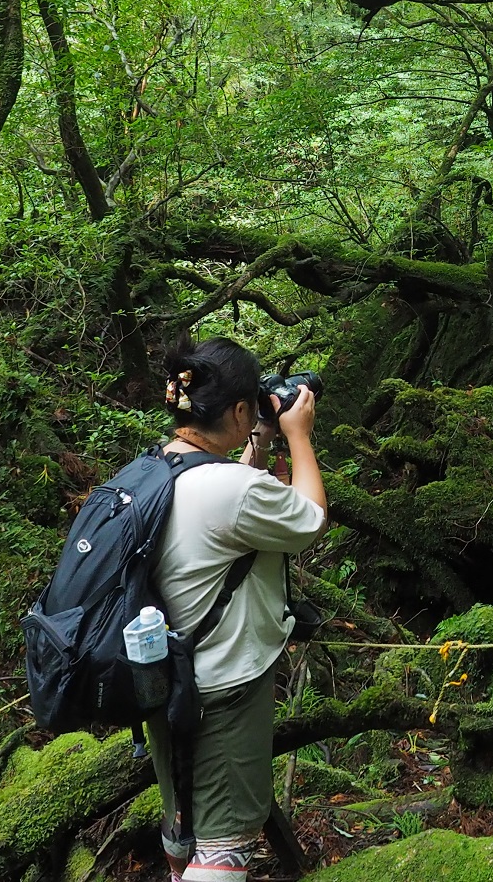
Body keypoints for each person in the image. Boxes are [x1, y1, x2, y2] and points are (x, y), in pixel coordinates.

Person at [153, 337, 326, 881]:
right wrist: (298, 436)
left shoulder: (157, 469)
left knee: (184, 819)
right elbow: (310, 519)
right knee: (227, 839)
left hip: (164, 680)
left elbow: (229, 494)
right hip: (226, 686)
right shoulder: (233, 491)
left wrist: (263, 435)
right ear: (236, 411)